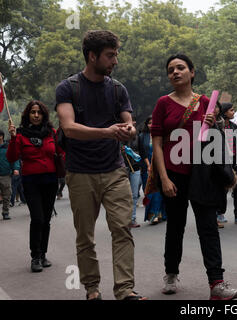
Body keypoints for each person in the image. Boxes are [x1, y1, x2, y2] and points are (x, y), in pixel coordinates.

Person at [55, 30, 146, 300]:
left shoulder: (118, 88)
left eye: (116, 54)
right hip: (80, 173)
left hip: (115, 170)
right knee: (86, 237)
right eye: (110, 55)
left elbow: (129, 123)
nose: (115, 61)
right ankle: (92, 289)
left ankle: (125, 289)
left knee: (122, 229)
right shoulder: (68, 88)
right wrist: (108, 132)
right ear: (92, 56)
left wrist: (128, 130)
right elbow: (69, 128)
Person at [151, 53, 237, 300]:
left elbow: (212, 141)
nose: (175, 72)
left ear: (192, 72)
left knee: (208, 228)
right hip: (173, 175)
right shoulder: (162, 104)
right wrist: (164, 178)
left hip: (202, 175)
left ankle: (217, 284)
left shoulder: (205, 103)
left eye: (181, 68)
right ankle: (171, 273)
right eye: (171, 70)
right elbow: (157, 144)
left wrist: (213, 123)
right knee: (175, 228)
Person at [7, 100, 60, 272]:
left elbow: (61, 152)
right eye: (33, 112)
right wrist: (13, 138)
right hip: (31, 182)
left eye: (39, 112)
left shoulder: (52, 133)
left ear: (43, 115)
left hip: (51, 181)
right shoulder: (20, 134)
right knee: (37, 219)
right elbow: (12, 157)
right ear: (27, 115)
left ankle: (43, 254)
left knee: (46, 219)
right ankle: (35, 257)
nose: (36, 115)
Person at [216, 102, 237, 225]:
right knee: (222, 189)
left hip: (236, 162)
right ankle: (220, 212)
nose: (233, 112)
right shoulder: (218, 127)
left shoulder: (235, 127)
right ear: (224, 112)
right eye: (231, 110)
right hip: (223, 163)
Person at [139, 116, 166, 225]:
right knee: (150, 192)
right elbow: (142, 152)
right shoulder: (142, 136)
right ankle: (152, 214)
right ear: (146, 124)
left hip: (160, 166)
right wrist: (148, 165)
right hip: (148, 168)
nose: (151, 125)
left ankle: (159, 214)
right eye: (149, 123)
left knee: (159, 191)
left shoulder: (161, 135)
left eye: (153, 122)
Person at [122, 122, 142, 228]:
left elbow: (142, 152)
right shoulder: (119, 139)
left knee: (134, 195)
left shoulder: (138, 138)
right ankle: (124, 219)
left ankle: (132, 218)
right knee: (124, 195)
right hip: (122, 168)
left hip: (136, 167)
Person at [0, 130, 20, 220]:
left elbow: (15, 158)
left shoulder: (8, 147)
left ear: (1, 136)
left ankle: (5, 212)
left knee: (7, 194)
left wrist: (16, 168)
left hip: (6, 174)